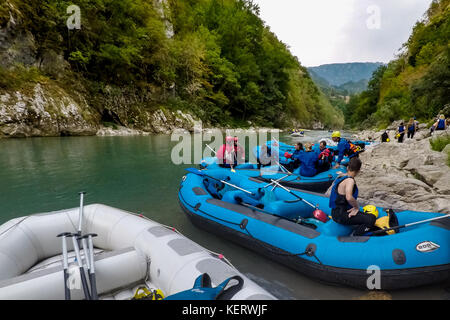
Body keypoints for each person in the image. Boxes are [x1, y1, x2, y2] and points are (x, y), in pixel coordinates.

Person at [329, 157, 376, 236]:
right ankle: (355, 236)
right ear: (358, 171)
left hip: (337, 211)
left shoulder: (342, 176)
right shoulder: (350, 181)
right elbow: (349, 197)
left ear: (347, 167)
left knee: (370, 216)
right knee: (371, 220)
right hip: (340, 215)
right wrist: (356, 207)